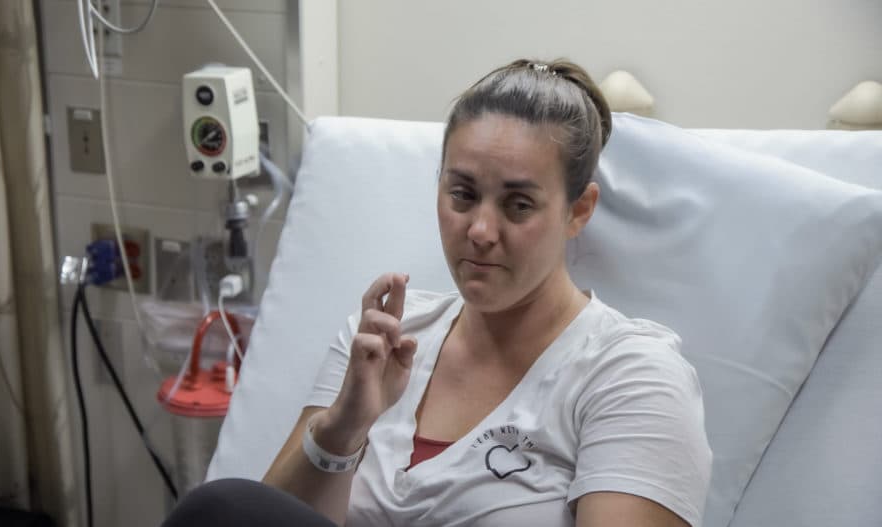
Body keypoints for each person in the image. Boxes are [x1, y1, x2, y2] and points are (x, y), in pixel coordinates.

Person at [163, 58, 712, 527]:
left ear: (578, 210)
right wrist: (344, 427)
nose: (479, 229)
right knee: (222, 508)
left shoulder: (629, 376)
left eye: (518, 205)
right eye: (462, 194)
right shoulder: (381, 344)